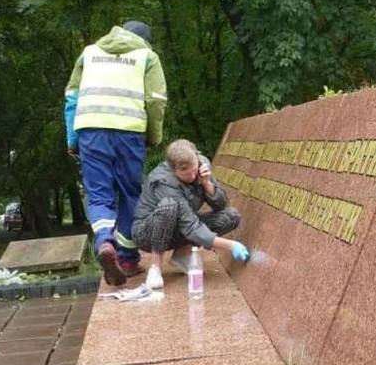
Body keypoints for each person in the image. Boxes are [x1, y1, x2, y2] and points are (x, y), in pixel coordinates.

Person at [63, 20, 167, 287]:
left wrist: (73, 138)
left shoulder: (89, 52)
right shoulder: (147, 56)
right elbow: (156, 100)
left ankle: (103, 242)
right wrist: (154, 136)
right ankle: (128, 259)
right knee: (130, 194)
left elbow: (72, 97)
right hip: (129, 133)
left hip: (91, 131)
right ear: (145, 39)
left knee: (99, 194)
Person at [132, 138, 249, 289]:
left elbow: (221, 204)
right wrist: (230, 245)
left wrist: (207, 183)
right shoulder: (164, 181)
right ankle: (155, 269)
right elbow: (191, 227)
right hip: (147, 233)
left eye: (195, 171)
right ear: (173, 169)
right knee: (169, 206)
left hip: (180, 225)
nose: (193, 177)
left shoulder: (201, 165)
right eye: (187, 174)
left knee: (230, 217)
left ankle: (182, 254)